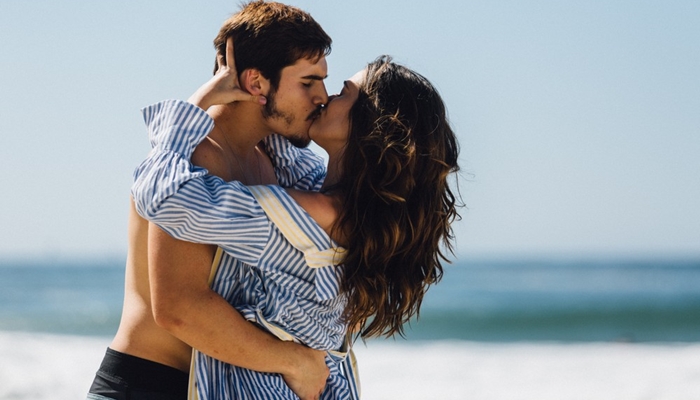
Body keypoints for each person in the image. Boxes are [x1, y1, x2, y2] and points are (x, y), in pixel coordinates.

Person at [132, 37, 461, 399]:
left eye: (342, 93)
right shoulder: (345, 208)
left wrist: (195, 106)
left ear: (369, 124)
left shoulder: (304, 216)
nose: (324, 97)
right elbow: (283, 148)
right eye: (309, 83)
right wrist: (258, 95)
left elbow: (166, 197)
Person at [87, 2, 334, 400]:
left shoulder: (273, 160)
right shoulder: (188, 164)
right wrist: (293, 362)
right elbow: (178, 308)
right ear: (257, 83)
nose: (322, 96)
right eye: (308, 82)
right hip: (148, 385)